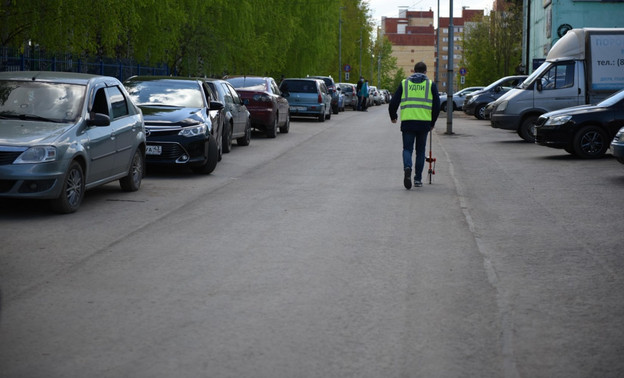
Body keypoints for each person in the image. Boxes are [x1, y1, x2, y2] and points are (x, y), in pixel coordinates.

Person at [388, 61, 440, 189]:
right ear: (425, 72)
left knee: (407, 149)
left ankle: (407, 167)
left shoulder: (404, 84)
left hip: (408, 122)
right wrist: (432, 122)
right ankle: (417, 179)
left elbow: (393, 102)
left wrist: (393, 116)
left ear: (413, 71)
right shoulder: (430, 85)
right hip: (424, 123)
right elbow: (437, 105)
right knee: (420, 151)